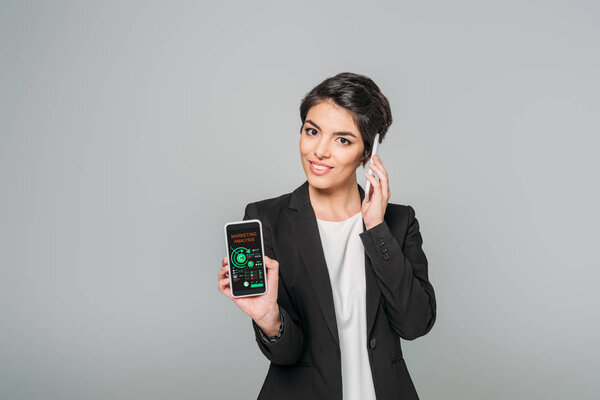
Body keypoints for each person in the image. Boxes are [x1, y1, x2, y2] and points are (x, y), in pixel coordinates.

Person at [218, 72, 436, 400]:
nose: (319, 151)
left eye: (342, 139)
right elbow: (287, 354)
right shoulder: (266, 219)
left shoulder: (398, 222)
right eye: (312, 131)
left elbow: (415, 324)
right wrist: (268, 317)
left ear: (368, 152)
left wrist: (376, 227)